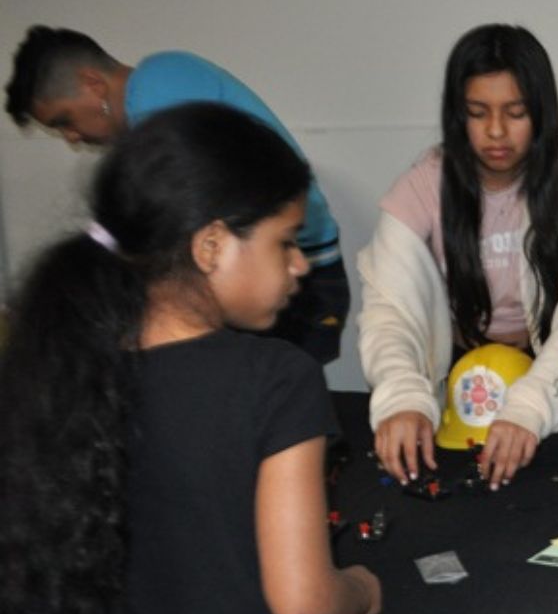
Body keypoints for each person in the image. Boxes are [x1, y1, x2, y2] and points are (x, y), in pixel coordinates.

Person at [0, 105, 381, 614]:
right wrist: (360, 590)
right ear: (210, 246)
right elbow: (303, 599)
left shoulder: (69, 374)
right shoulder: (279, 380)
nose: (300, 266)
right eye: (285, 242)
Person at [358, 24, 558, 490]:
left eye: (515, 113)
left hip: (545, 370)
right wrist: (402, 398)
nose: (496, 132)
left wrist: (530, 404)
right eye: (478, 113)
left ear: (541, 114)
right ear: (458, 116)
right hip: (456, 374)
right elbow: (387, 310)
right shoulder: (421, 187)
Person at [3, 26, 349, 364]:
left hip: (296, 279)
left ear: (93, 85)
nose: (72, 137)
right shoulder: (162, 87)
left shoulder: (158, 88)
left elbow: (169, 226)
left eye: (65, 120)